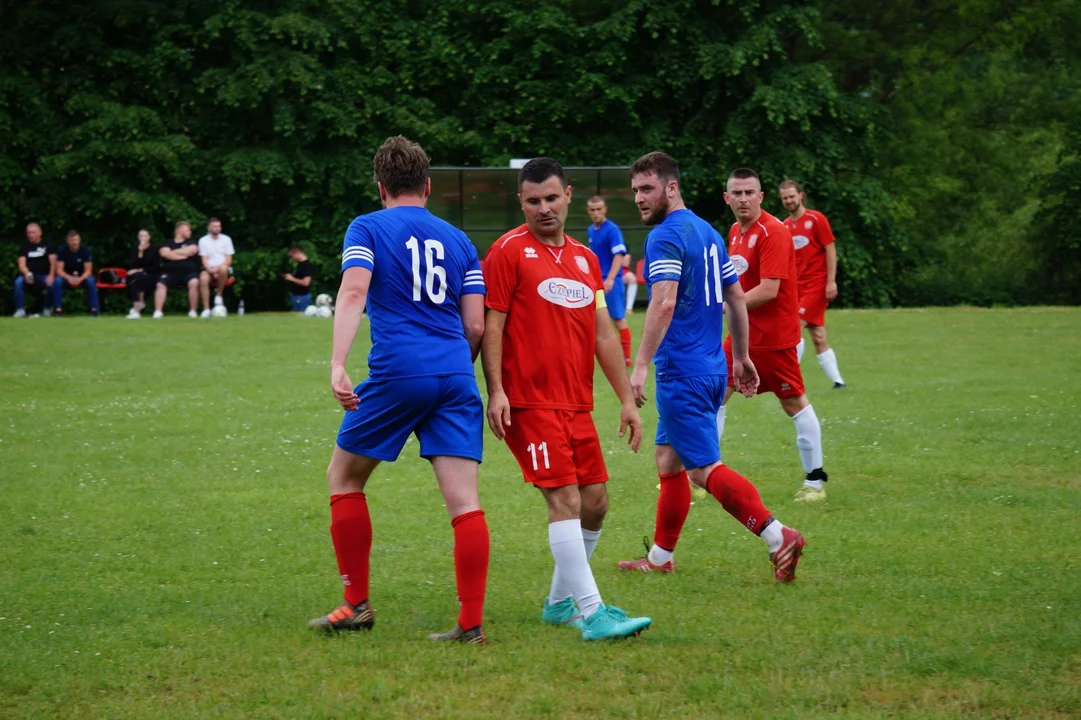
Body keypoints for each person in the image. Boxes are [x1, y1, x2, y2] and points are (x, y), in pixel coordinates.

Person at [312, 136, 490, 645]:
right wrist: (454, 368)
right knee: (465, 502)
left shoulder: (367, 226)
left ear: (381, 186)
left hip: (398, 371)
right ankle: (470, 624)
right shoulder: (459, 241)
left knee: (343, 477)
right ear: (428, 186)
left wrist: (337, 364)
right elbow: (475, 326)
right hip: (456, 374)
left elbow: (352, 290)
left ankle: (356, 604)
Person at [482, 157, 652, 641]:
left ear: (569, 196)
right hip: (529, 402)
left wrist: (625, 399)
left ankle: (559, 604)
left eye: (551, 198)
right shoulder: (507, 252)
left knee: (596, 502)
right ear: (521, 202)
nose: (543, 209)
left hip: (576, 404)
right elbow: (492, 325)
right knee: (565, 498)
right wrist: (496, 390)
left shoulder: (585, 258)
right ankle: (593, 613)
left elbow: (602, 336)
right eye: (533, 201)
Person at [616, 152, 806, 580]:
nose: (639, 199)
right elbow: (736, 298)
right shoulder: (707, 233)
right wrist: (740, 358)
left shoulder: (666, 236)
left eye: (647, 189)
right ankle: (660, 559)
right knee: (668, 460)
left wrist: (640, 364)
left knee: (703, 470)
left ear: (671, 187)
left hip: (681, 373)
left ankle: (779, 536)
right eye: (634, 191)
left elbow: (663, 303)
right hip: (709, 369)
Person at [719, 169, 829, 502]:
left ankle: (815, 481)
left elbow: (769, 289)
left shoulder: (774, 232)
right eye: (736, 193)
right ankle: (704, 473)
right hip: (742, 336)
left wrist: (723, 307)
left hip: (774, 338)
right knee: (713, 395)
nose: (743, 199)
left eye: (749, 193)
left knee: (793, 402)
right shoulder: (735, 232)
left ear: (761, 197)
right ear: (727, 199)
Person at [779, 180, 846, 388]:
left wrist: (831, 281)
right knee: (817, 335)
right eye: (785, 198)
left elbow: (830, 250)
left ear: (801, 195)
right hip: (795, 288)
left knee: (794, 328)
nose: (789, 201)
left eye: (792, 196)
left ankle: (787, 379)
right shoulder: (784, 226)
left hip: (816, 285)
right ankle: (838, 382)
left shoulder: (816, 219)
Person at [586, 196, 633, 365]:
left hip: (611, 282)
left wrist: (611, 279)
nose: (596, 213)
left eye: (599, 209)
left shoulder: (612, 229)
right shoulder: (591, 230)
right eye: (592, 210)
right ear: (588, 211)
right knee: (594, 319)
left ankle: (626, 358)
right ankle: (594, 355)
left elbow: (619, 255)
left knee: (618, 319)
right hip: (596, 282)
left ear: (605, 209)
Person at [154, 221, 200, 318]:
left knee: (194, 283)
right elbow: (164, 253)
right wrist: (183, 255)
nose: (190, 232)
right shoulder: (168, 242)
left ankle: (193, 311)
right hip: (170, 273)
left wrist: (172, 252)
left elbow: (192, 250)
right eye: (188, 230)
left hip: (189, 273)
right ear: (180, 230)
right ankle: (158, 312)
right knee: (160, 284)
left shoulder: (191, 242)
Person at [12, 223, 56, 318]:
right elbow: (21, 264)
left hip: (44, 275)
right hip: (28, 275)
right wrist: (27, 273)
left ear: (40, 233)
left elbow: (53, 262)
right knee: (18, 282)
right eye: (29, 233)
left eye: (33, 232)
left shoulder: (48, 245)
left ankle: (47, 308)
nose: (31, 235)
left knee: (53, 284)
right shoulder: (24, 247)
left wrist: (51, 275)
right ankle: (20, 310)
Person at [53, 230, 99, 316]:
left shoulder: (85, 250)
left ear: (79, 240)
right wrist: (69, 278)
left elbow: (88, 271)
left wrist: (80, 279)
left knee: (91, 281)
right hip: (66, 277)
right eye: (72, 240)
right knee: (57, 281)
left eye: (76, 240)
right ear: (67, 241)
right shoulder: (62, 250)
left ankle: (94, 309)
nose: (74, 242)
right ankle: (58, 310)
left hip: (82, 277)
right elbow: (59, 270)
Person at [198, 218, 235, 317]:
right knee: (203, 278)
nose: (217, 228)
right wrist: (210, 269)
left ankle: (218, 295)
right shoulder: (203, 240)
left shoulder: (227, 239)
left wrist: (217, 269)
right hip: (209, 268)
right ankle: (206, 309)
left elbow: (229, 260)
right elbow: (204, 259)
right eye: (215, 226)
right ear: (209, 227)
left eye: (219, 226)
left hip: (222, 268)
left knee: (223, 268)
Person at [125, 229, 159, 319]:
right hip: (138, 275)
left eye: (145, 236)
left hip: (151, 274)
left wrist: (139, 270)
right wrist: (140, 252)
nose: (143, 238)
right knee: (134, 278)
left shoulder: (154, 248)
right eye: (141, 236)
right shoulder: (134, 249)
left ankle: (137, 309)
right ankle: (138, 305)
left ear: (149, 237)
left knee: (141, 277)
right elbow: (134, 263)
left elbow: (154, 266)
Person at [282, 245, 313, 311]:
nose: (292, 258)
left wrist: (292, 278)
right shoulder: (300, 265)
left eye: (291, 256)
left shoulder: (306, 265)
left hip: (301, 297)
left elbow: (306, 283)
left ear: (297, 253)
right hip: (296, 296)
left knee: (301, 317)